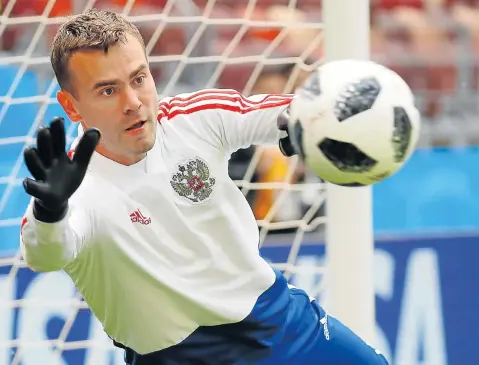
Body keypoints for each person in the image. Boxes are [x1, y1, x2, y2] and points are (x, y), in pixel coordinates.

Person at [20, 8, 389, 365]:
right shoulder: (71, 190)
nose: (133, 103)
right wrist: (50, 211)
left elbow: (281, 113)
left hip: (276, 322)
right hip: (177, 358)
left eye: (139, 78)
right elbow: (44, 256)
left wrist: (313, 122)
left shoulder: (192, 120)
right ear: (71, 105)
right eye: (107, 91)